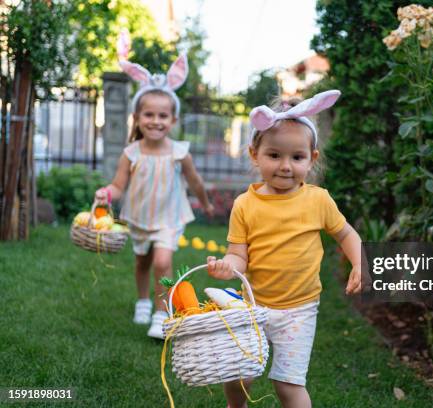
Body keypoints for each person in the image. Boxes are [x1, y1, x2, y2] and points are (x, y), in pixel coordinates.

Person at [206, 90, 362, 408]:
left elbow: (346, 234)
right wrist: (228, 266)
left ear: (312, 158)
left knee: (287, 384)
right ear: (254, 154)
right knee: (238, 375)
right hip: (254, 304)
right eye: (274, 155)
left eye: (297, 157)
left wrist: (359, 261)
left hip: (299, 310)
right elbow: (239, 255)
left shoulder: (318, 200)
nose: (285, 166)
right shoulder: (245, 205)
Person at [95, 54, 214, 339]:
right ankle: (143, 300)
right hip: (139, 216)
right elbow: (119, 186)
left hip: (169, 218)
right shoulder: (132, 153)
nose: (156, 121)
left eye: (163, 116)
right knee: (142, 262)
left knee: (162, 262)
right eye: (149, 115)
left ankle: (161, 313)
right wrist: (106, 194)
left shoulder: (178, 152)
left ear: (173, 120)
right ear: (137, 117)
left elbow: (195, 181)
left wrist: (206, 202)